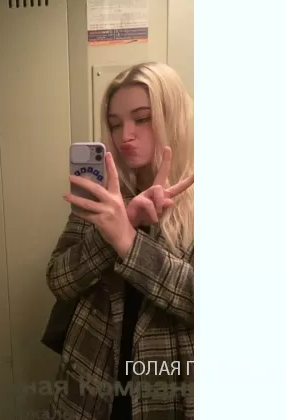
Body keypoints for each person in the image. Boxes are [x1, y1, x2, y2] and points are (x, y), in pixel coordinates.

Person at [45, 62, 194, 420]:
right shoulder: (102, 197)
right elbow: (58, 280)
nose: (125, 135)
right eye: (114, 123)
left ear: (172, 116)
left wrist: (130, 243)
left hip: (168, 386)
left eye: (142, 118)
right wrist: (116, 226)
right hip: (90, 381)